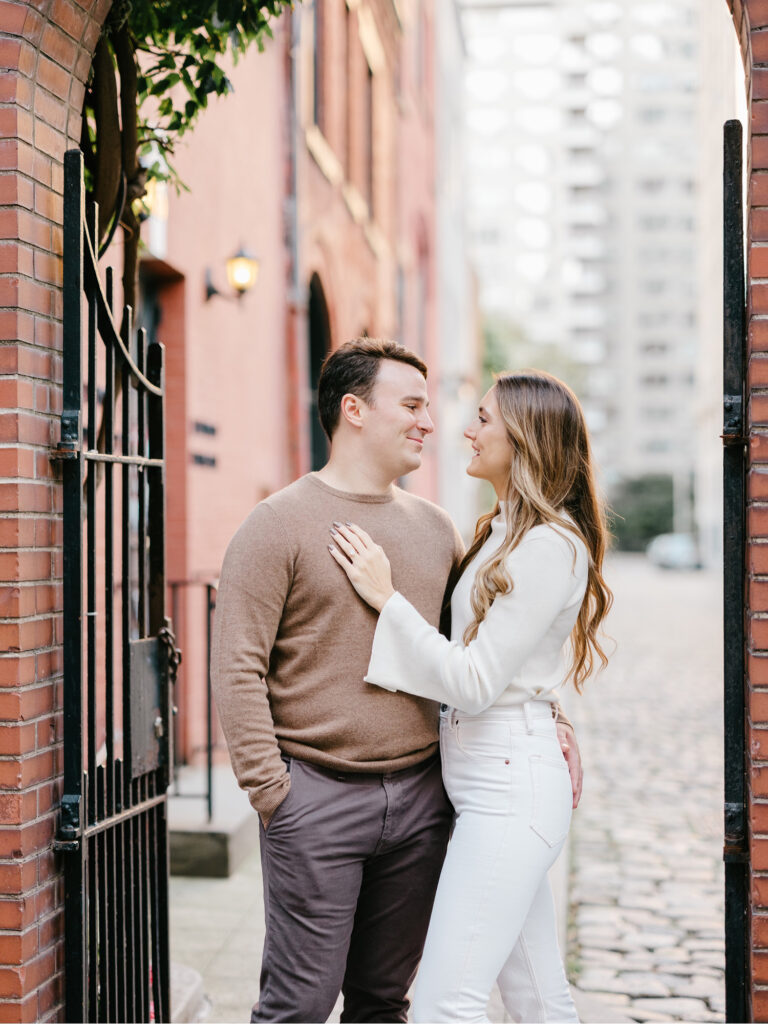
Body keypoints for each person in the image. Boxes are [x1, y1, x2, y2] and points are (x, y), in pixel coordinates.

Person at [211, 340, 583, 1023]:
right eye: (411, 405)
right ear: (354, 409)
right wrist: (274, 794)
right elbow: (236, 667)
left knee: (386, 1003)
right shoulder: (275, 525)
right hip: (316, 798)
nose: (430, 423)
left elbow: (483, 656)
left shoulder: (438, 530)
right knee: (300, 1002)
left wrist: (550, 712)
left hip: (423, 800)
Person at [329, 370, 612, 1023]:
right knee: (538, 1000)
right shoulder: (502, 531)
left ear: (527, 436)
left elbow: (478, 681)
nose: (467, 430)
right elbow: (515, 661)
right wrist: (550, 705)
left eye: (483, 419)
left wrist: (385, 598)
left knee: (443, 1005)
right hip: (493, 786)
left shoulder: (549, 545)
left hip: (509, 793)